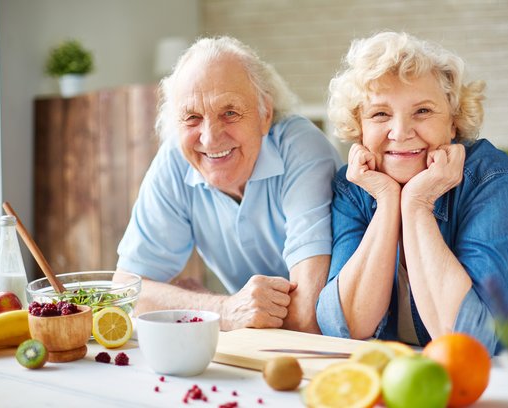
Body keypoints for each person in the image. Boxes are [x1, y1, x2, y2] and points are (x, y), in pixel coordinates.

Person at [315, 31, 508, 355]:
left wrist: (417, 203)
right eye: (380, 114)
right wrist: (387, 202)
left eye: (422, 111)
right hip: (417, 386)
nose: (401, 132)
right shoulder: (355, 185)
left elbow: (469, 339)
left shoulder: (494, 180)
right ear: (360, 127)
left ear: (453, 123)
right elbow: (343, 325)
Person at [116, 36, 342, 333]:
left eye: (230, 113)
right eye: (192, 117)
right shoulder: (175, 158)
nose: (209, 138)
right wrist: (223, 309)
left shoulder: (301, 148)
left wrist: (201, 302)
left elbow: (307, 315)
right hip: (257, 349)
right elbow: (126, 292)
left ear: (265, 115)